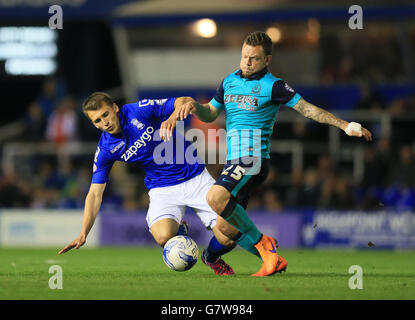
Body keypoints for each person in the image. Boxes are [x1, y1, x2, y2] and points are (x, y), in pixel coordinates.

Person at [176, 31, 373, 276]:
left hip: (252, 158)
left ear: (267, 60)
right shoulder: (228, 82)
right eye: (245, 56)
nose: (247, 62)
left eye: (254, 58)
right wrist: (196, 107)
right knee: (226, 231)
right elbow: (211, 113)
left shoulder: (274, 86)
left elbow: (307, 109)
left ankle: (266, 247)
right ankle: (234, 257)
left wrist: (344, 125)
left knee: (214, 197)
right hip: (233, 162)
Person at [58, 92, 238, 276]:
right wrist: (83, 233)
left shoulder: (138, 111)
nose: (104, 122)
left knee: (229, 236)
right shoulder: (105, 149)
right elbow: (95, 194)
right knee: (163, 237)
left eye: (105, 114)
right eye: (97, 121)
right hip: (161, 188)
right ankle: (178, 228)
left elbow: (184, 101)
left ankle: (211, 256)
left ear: (115, 107)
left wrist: (172, 118)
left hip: (196, 178)